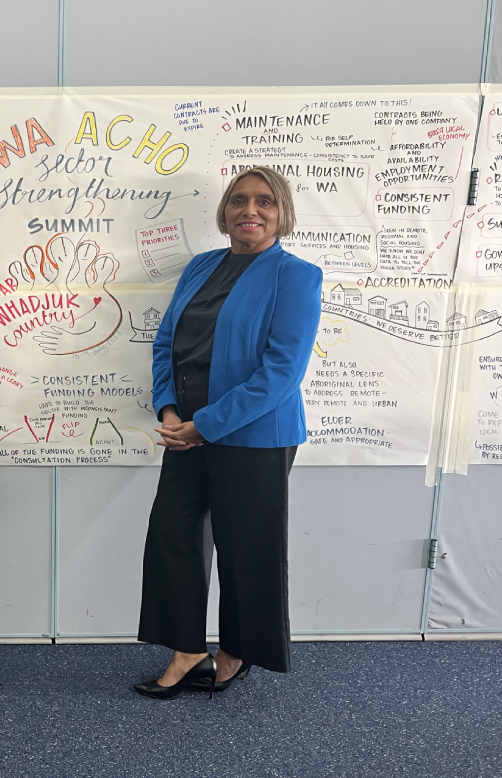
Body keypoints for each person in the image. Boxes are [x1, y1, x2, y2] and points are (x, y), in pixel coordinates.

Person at [133, 165, 322, 701]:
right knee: (174, 536)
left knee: (247, 549)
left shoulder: (296, 276)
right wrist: (170, 410)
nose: (250, 210)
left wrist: (206, 426)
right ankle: (187, 650)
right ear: (224, 212)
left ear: (281, 211)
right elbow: (166, 342)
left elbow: (281, 373)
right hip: (185, 428)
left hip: (255, 434)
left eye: (264, 201)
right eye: (238, 200)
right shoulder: (201, 267)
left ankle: (237, 652)